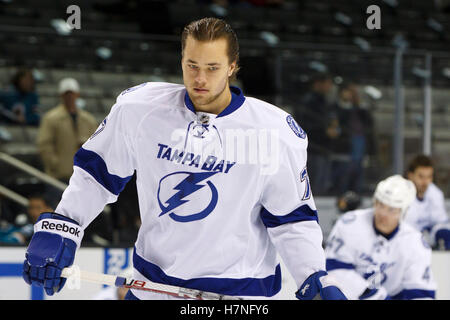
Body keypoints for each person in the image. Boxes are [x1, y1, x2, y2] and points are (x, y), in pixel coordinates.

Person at [22, 17, 346, 300]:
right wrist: (63, 225)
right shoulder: (140, 110)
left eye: (212, 68)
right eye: (192, 65)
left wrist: (313, 274)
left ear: (233, 67)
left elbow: (290, 218)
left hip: (240, 296)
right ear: (181, 59)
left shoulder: (274, 132)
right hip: (154, 288)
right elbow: (97, 174)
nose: (200, 79)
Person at [325, 175, 437, 300]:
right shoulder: (350, 223)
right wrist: (373, 295)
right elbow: (333, 269)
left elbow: (421, 293)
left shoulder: (415, 243)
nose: (383, 214)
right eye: (380, 205)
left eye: (391, 209)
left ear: (404, 212)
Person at [37, 78, 98, 183]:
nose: (70, 97)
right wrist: (55, 164)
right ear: (61, 96)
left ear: (77, 94)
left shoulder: (88, 120)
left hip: (84, 174)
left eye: (72, 94)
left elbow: (97, 143)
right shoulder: (51, 118)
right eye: (66, 94)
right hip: (59, 175)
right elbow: (44, 144)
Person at [330, 82, 376, 195]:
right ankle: (341, 194)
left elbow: (369, 124)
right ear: (341, 92)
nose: (351, 94)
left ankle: (356, 193)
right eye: (348, 91)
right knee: (344, 172)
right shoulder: (335, 108)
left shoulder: (360, 109)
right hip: (344, 146)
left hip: (359, 142)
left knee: (357, 170)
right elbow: (335, 126)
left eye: (353, 92)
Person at [293, 72, 336, 195]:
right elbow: (303, 125)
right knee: (313, 185)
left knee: (322, 183)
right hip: (313, 148)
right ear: (318, 84)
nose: (330, 87)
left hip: (324, 147)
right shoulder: (308, 101)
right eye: (327, 83)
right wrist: (324, 130)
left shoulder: (324, 101)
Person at [404, 154, 450, 250]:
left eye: (429, 177)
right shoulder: (400, 195)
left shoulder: (436, 194)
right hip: (406, 248)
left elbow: (441, 223)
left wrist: (440, 232)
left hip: (429, 248)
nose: (425, 182)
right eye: (421, 177)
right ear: (410, 175)